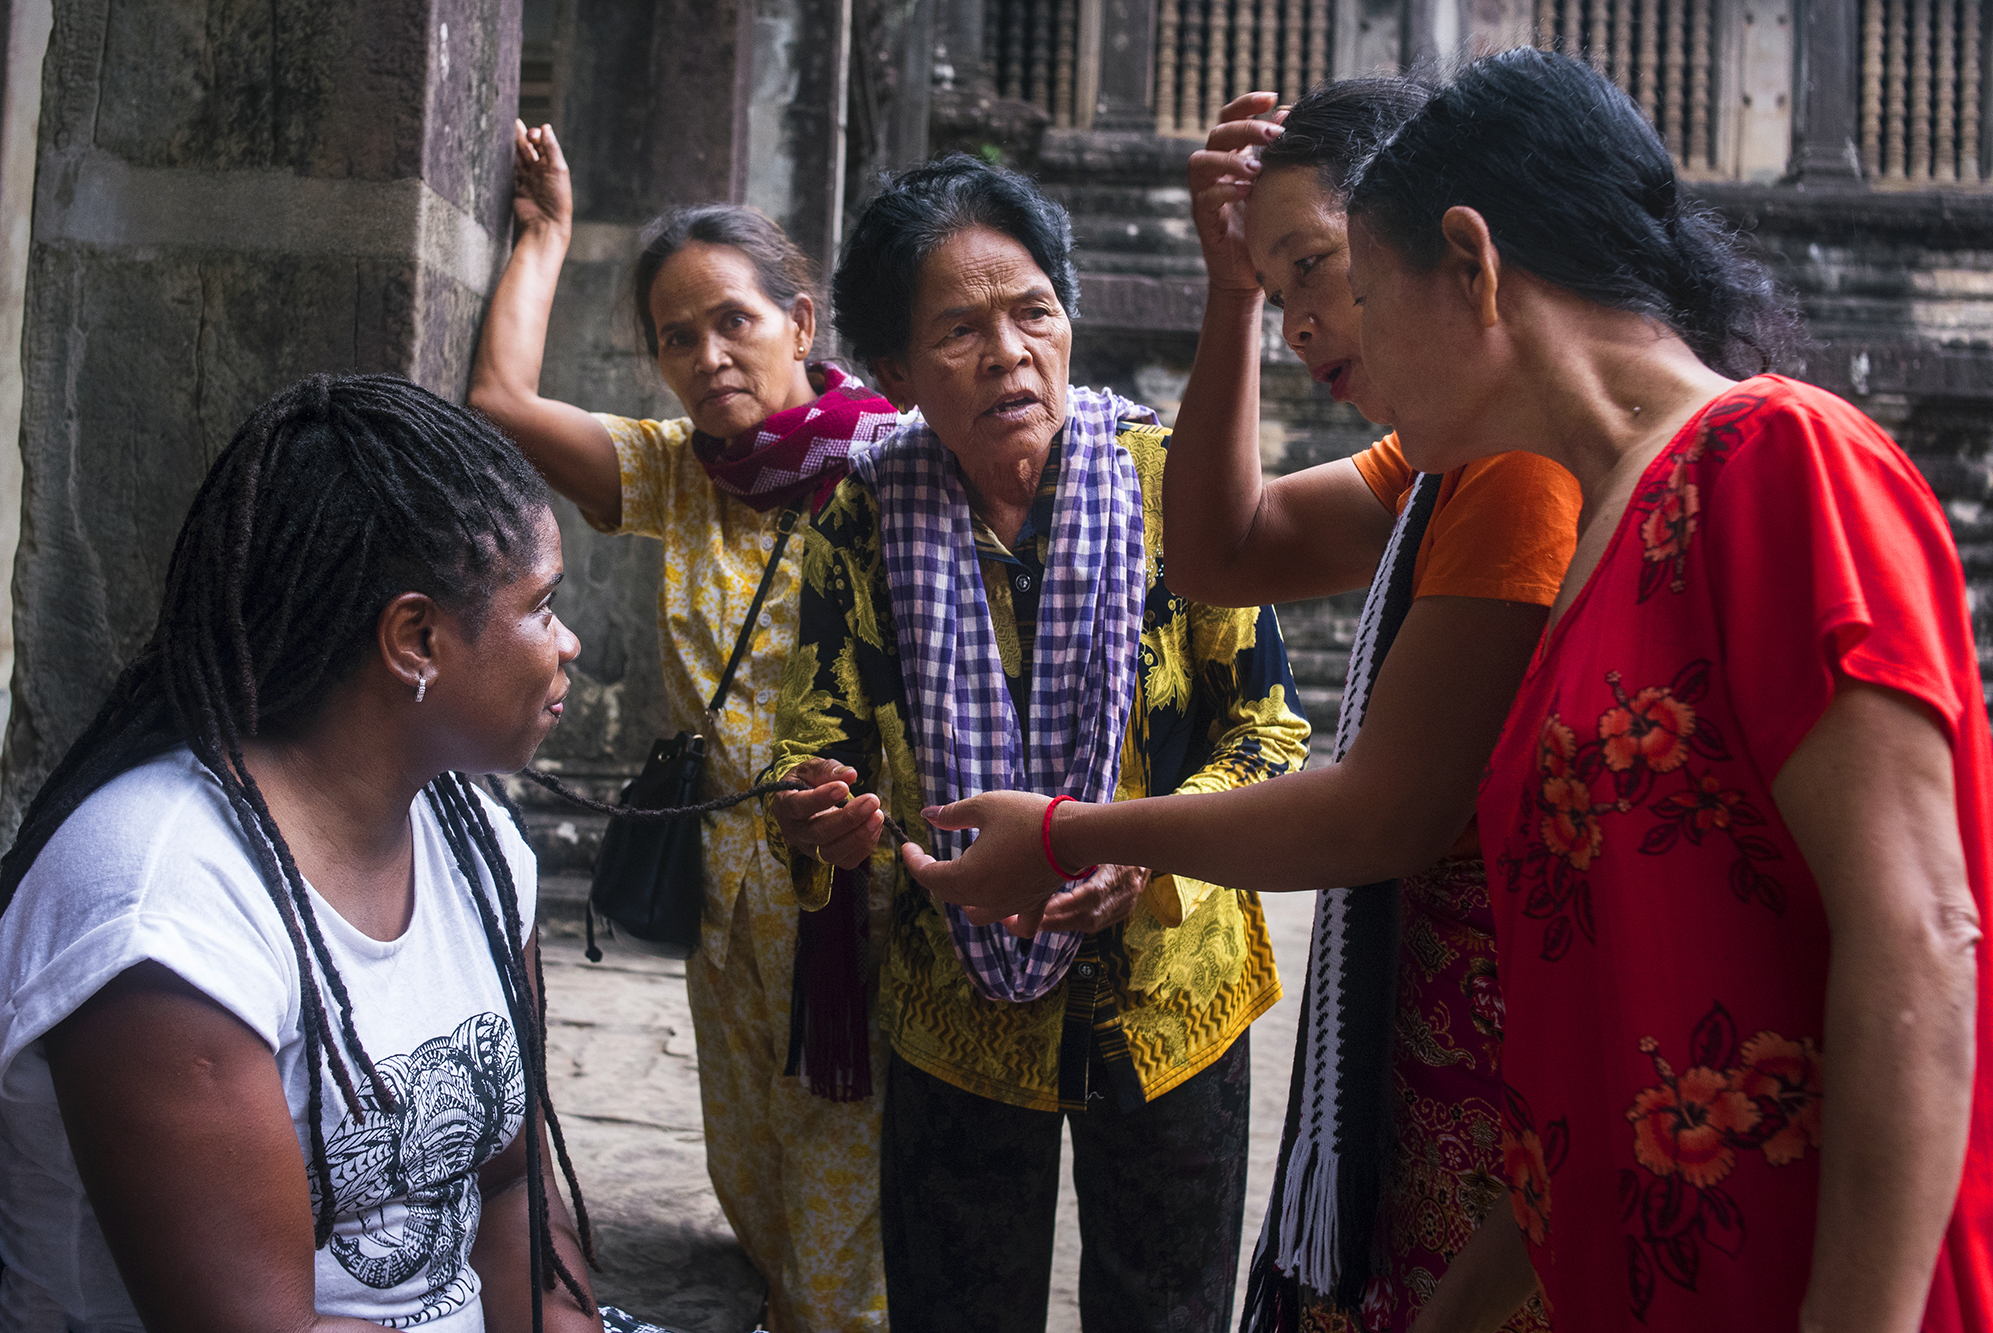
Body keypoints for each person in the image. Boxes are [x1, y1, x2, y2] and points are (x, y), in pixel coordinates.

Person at [912, 48, 1993, 1333]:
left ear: (1471, 265)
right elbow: (1598, 1050)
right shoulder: (1597, 525)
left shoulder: (1775, 458)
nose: (1334, 333)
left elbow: (1922, 939)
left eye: (1355, 286)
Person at [761, 153, 1311, 1333]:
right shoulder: (860, 514)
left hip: (1169, 1001)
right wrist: (818, 808)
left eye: (1033, 314)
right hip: (955, 1004)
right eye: (958, 329)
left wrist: (1144, 855)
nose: (1007, 352)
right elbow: (813, 734)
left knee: (1162, 1308)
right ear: (897, 371)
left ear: (1069, 323)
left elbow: (1266, 730)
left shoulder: (1173, 483)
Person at [0, 375, 628, 1331]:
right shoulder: (161, 913)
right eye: (542, 605)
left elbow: (512, 1189)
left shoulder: (477, 841)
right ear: (415, 638)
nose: (568, 641)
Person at [1164, 78, 1580, 1333]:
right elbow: (1219, 553)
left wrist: (1082, 835)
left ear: (1438, 245)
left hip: (1500, 1068)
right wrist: (1229, 294)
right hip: (1437, 1041)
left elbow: (1379, 815)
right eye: (1276, 291)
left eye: (1312, 269)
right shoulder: (1445, 451)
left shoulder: (1515, 464)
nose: (1298, 322)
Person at [468, 122, 897, 1332]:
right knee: (752, 1154)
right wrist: (545, 231)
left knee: (840, 1163)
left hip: (854, 884)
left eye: (734, 322)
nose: (707, 355)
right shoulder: (675, 473)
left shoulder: (898, 466)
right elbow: (498, 401)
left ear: (799, 325)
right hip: (728, 888)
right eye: (675, 334)